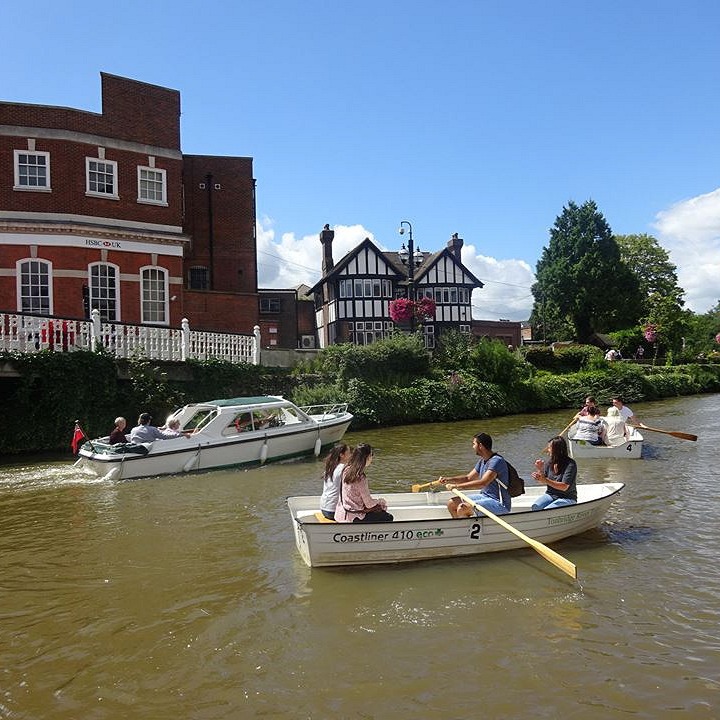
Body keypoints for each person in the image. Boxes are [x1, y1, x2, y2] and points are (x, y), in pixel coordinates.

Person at [440, 432, 511, 518]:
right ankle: (460, 527)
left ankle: (465, 529)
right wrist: (448, 479)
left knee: (462, 508)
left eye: (474, 444)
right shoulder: (483, 461)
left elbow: (483, 483)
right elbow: (468, 478)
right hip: (484, 496)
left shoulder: (496, 461)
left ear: (480, 446)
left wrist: (456, 486)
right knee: (451, 503)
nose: (472, 447)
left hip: (499, 503)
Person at [335, 443, 393, 523]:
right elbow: (369, 504)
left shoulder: (346, 469)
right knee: (388, 517)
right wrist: (379, 501)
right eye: (372, 455)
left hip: (341, 513)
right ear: (367, 457)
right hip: (354, 516)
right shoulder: (360, 478)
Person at [531, 436, 577, 510]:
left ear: (557, 449)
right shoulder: (549, 463)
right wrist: (540, 470)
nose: (547, 450)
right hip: (551, 495)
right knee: (535, 507)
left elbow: (564, 487)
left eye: (549, 448)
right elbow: (542, 481)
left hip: (567, 497)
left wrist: (545, 480)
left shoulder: (570, 464)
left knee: (548, 511)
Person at [319, 443, 351, 520]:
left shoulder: (330, 467)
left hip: (324, 508)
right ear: (341, 455)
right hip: (334, 511)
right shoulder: (344, 468)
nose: (351, 455)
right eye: (349, 452)